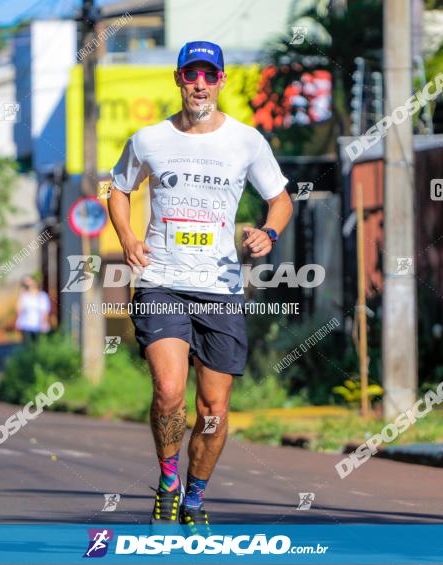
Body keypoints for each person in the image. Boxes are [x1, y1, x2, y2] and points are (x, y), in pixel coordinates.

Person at [108, 40, 293, 532]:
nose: (200, 84)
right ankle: (168, 483)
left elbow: (280, 199)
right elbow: (120, 191)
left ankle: (195, 495)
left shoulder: (247, 141)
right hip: (161, 281)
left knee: (213, 410)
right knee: (169, 391)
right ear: (178, 79)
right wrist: (127, 238)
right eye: (192, 75)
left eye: (209, 75)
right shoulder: (149, 139)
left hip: (221, 286)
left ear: (221, 81)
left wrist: (268, 232)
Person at [14, 276, 50, 344]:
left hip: (38, 326)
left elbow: (45, 311)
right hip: (25, 325)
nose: (28, 286)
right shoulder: (24, 296)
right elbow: (19, 309)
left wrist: (44, 322)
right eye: (26, 284)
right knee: (28, 347)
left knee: (38, 346)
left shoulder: (42, 296)